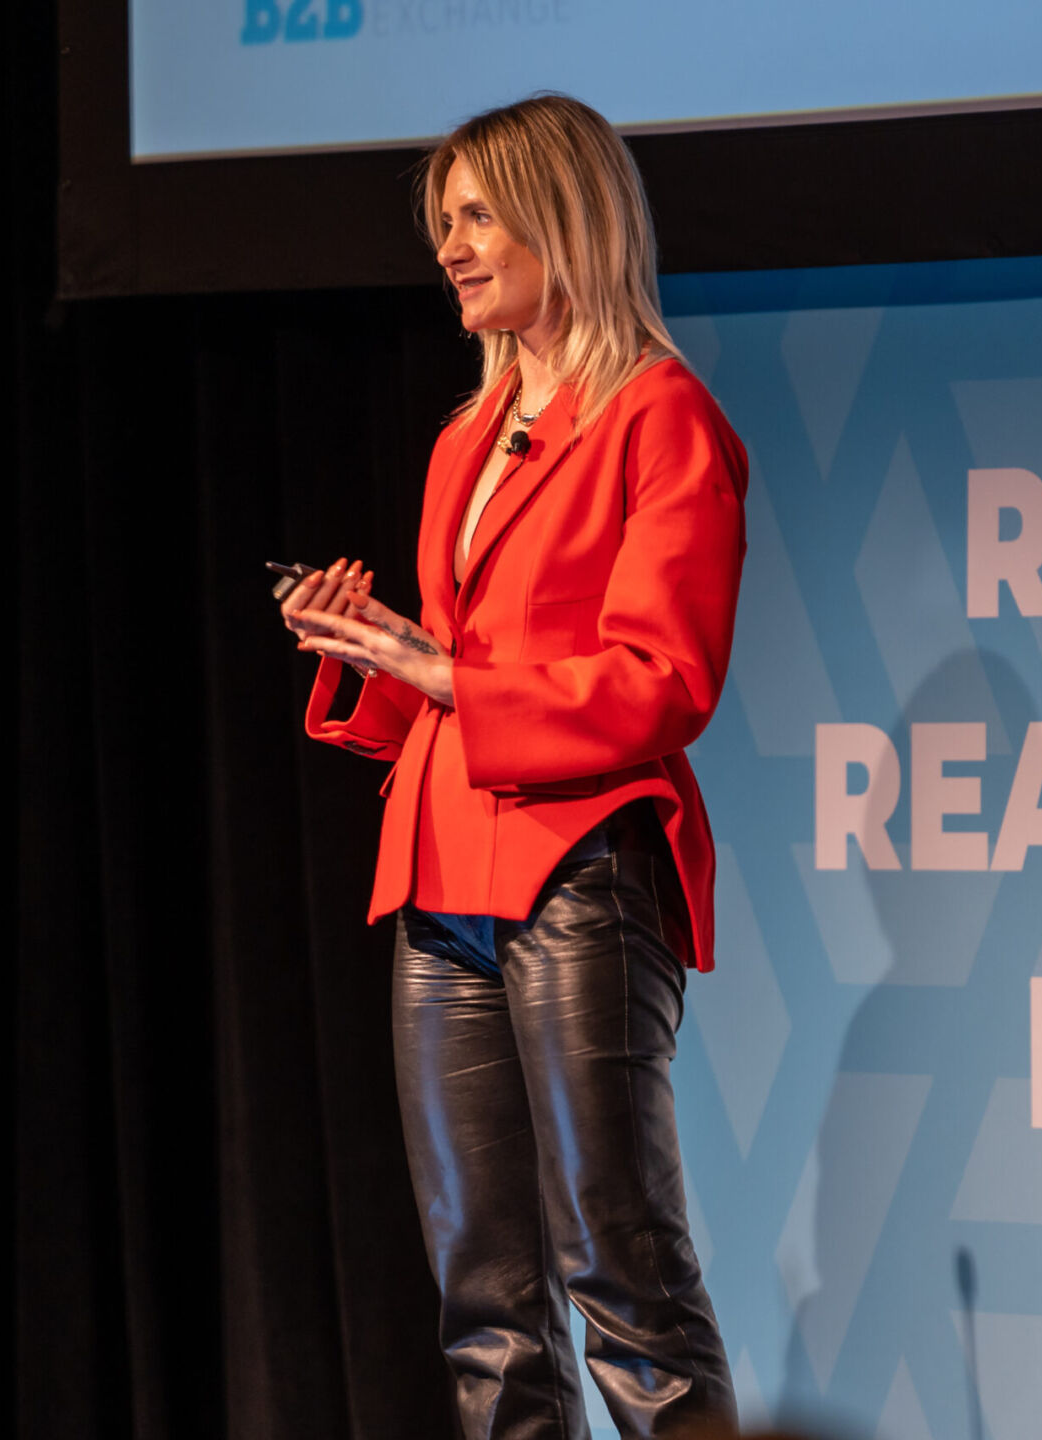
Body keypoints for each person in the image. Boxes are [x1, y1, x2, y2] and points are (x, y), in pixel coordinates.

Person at [282, 93, 745, 1437]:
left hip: (578, 872)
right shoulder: (464, 440)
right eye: (445, 223)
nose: (452, 248)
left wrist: (450, 678)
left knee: (623, 1277)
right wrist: (376, 652)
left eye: (479, 216)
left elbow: (664, 681)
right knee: (483, 1304)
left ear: (567, 217)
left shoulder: (660, 417)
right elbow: (456, 693)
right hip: (442, 885)